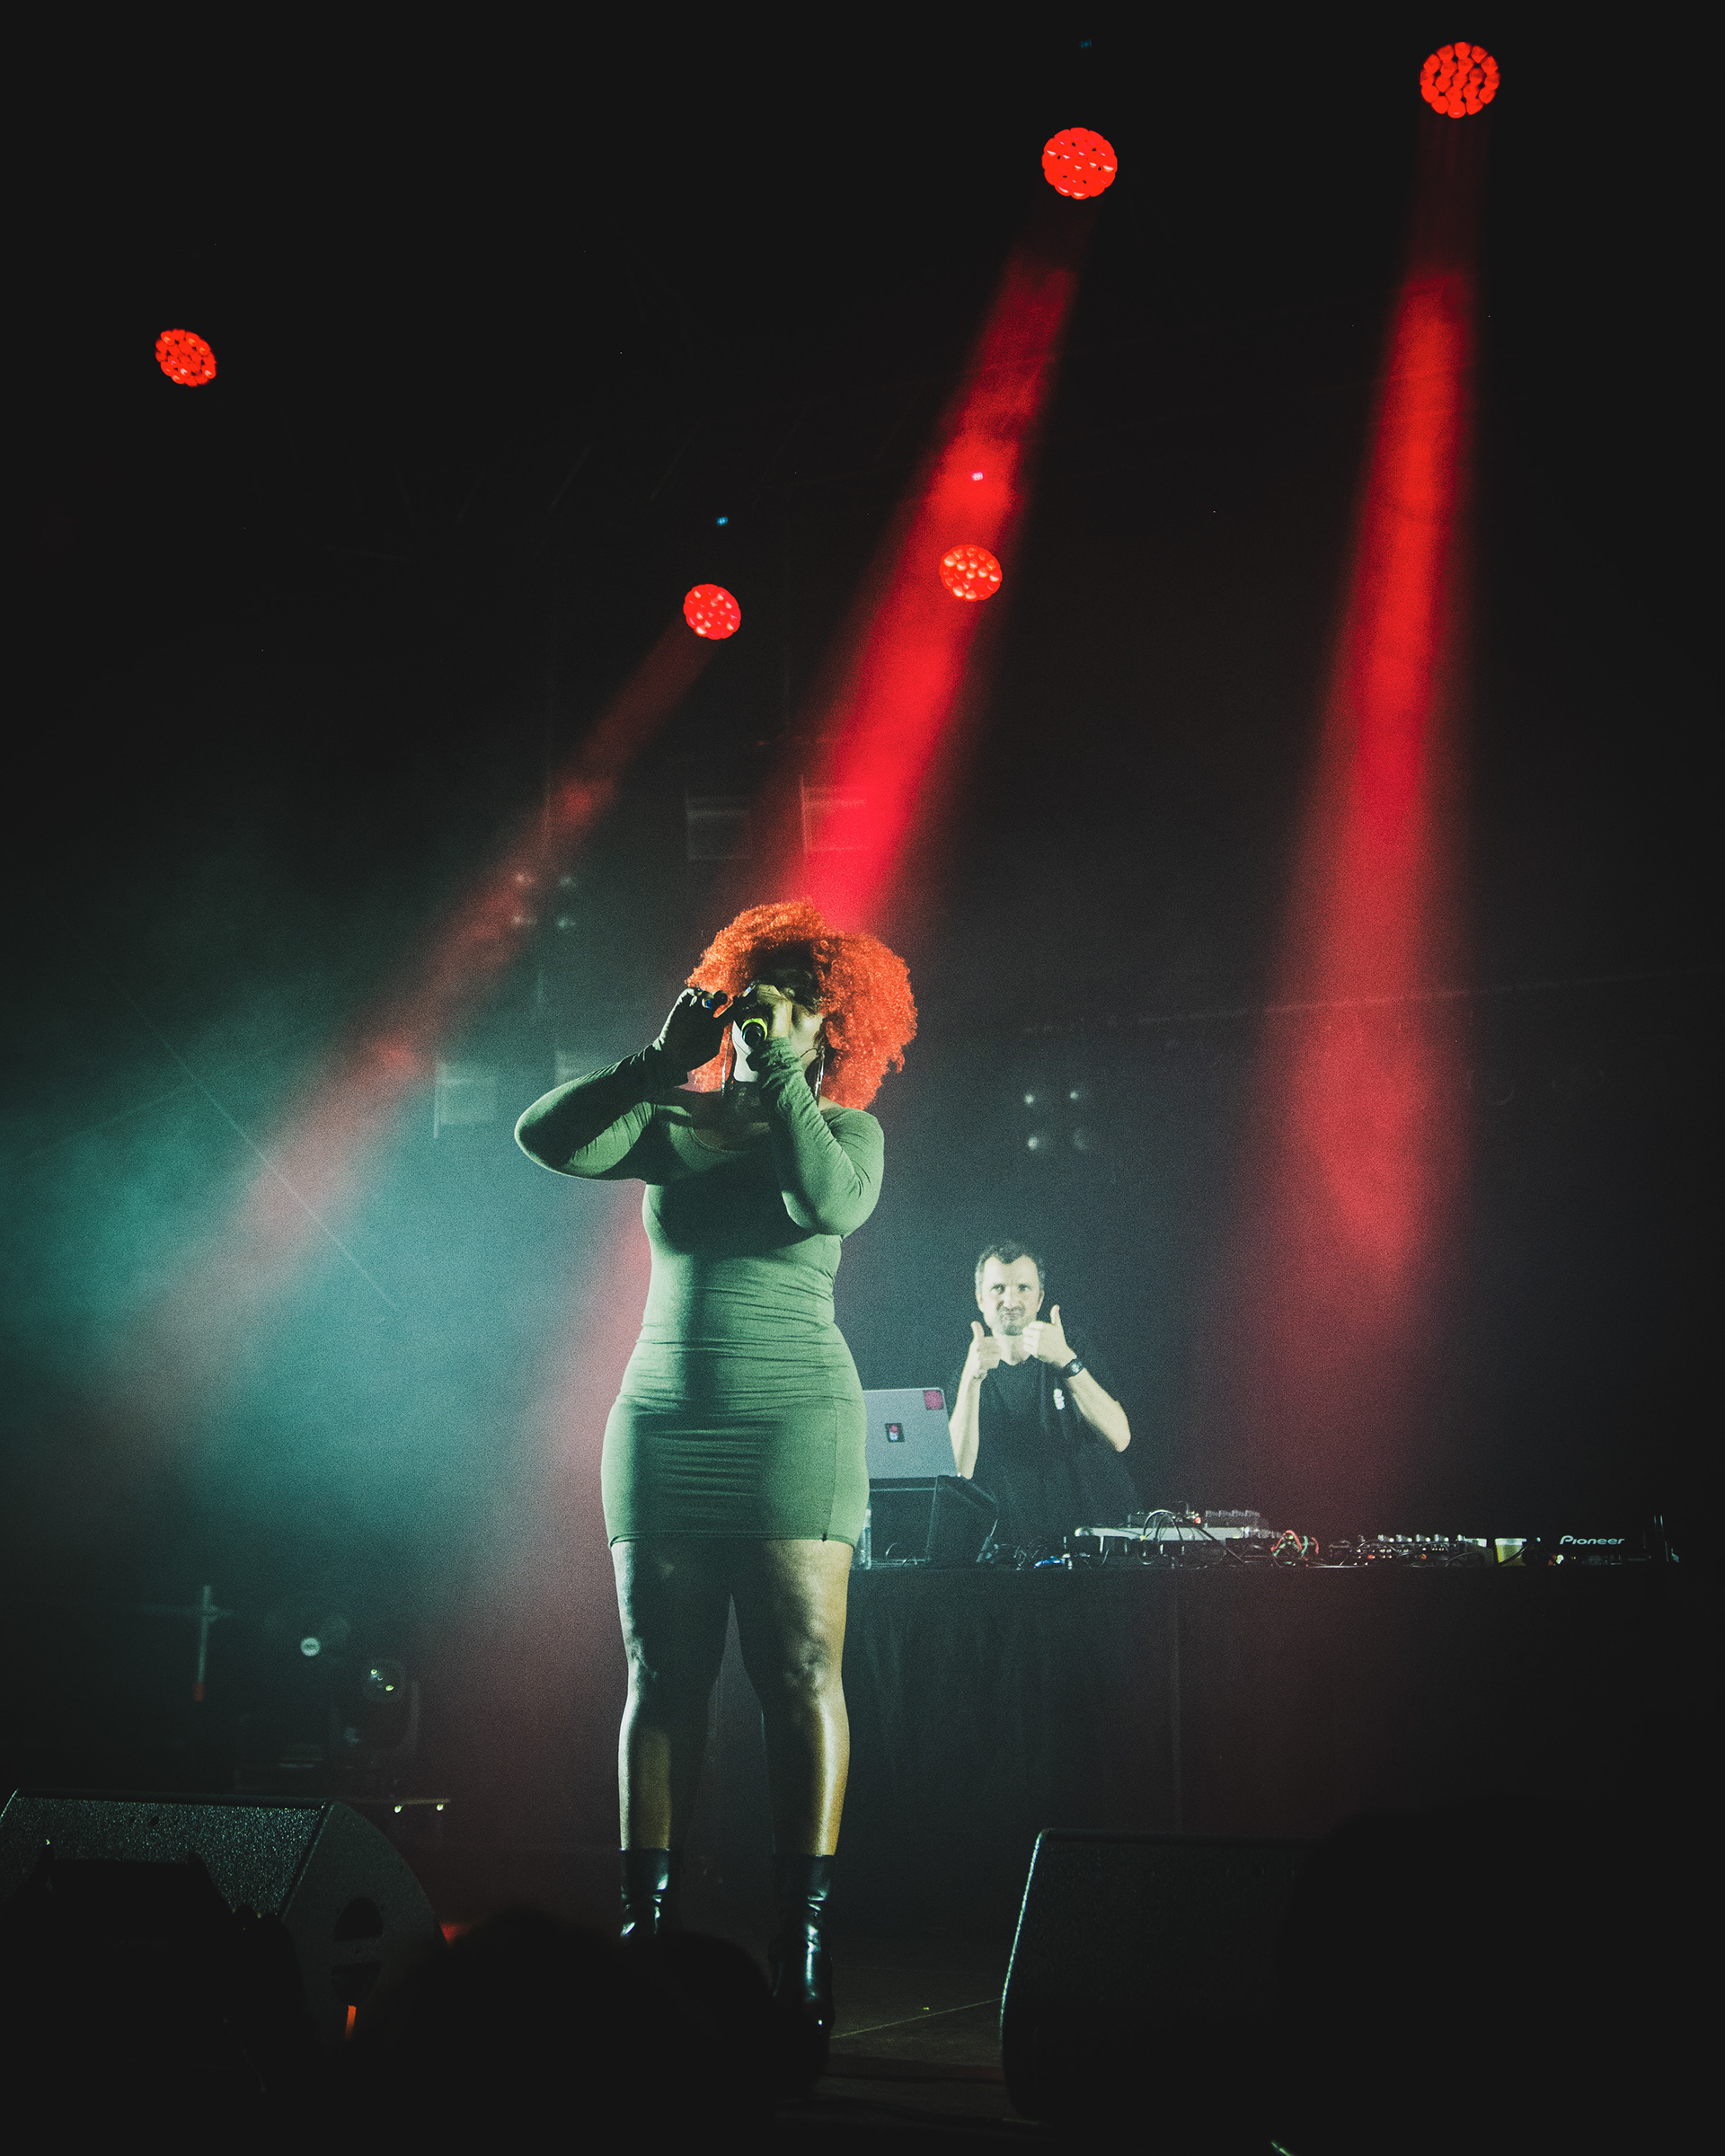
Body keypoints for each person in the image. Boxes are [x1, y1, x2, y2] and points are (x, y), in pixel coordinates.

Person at [513, 899, 916, 2072]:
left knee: (798, 1674)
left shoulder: (848, 1130)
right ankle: (647, 1934)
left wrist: (784, 1074)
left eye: (796, 998)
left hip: (795, 1418)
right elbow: (544, 1138)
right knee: (661, 1675)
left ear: (833, 1024)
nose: (765, 1009)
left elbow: (825, 1204)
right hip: (662, 1418)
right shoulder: (673, 1121)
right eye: (758, 988)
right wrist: (658, 1062)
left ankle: (802, 1944)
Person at [948, 1241, 1137, 1554]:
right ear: (980, 1299)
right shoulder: (968, 1371)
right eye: (998, 1288)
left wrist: (1065, 1360)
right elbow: (958, 1473)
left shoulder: (1072, 1346)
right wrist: (971, 1380)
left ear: (1040, 1298)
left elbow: (1120, 1437)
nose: (1011, 1300)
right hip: (1015, 1553)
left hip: (1095, 1548)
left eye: (1023, 1288)